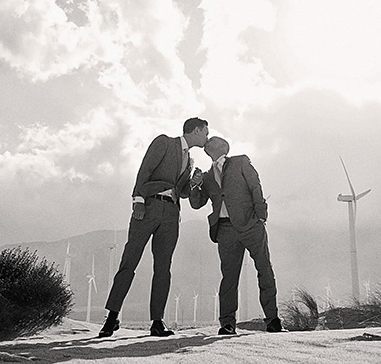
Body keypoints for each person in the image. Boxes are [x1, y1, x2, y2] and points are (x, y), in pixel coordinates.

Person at [98, 117, 210, 338]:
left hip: (171, 214)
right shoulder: (164, 142)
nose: (207, 137)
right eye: (205, 133)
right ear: (196, 131)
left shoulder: (190, 161)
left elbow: (184, 192)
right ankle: (112, 317)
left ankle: (157, 322)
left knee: (163, 268)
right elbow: (145, 169)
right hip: (148, 207)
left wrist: (194, 182)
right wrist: (138, 200)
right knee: (129, 261)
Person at [189, 136, 282, 334]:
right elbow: (197, 203)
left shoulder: (240, 161)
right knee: (229, 278)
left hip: (250, 224)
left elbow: (255, 186)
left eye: (212, 140)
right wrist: (194, 185)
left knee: (264, 269)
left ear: (223, 146)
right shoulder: (205, 177)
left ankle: (272, 320)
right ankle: (228, 324)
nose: (208, 141)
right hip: (224, 229)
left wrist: (261, 216)